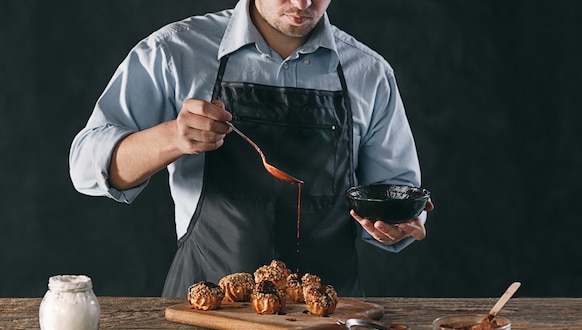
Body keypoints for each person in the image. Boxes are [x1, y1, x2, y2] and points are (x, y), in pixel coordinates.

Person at [69, 0, 434, 298]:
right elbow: (86, 168)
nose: (303, 3)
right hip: (205, 307)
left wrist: (398, 223)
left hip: (328, 318)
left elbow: (394, 192)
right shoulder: (175, 52)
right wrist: (171, 138)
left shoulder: (369, 73)